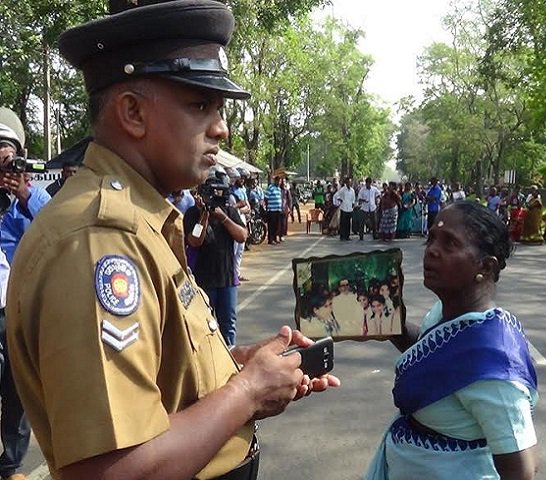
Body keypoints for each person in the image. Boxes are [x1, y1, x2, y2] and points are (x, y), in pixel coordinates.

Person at [6, 3, 339, 479]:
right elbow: (112, 470)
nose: (221, 129)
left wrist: (238, 374)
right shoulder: (100, 242)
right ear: (133, 113)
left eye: (220, 109)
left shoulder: (142, 217)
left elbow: (160, 385)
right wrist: (243, 394)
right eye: (200, 105)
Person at [365, 201, 538, 479]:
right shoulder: (446, 314)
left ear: (485, 266)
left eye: (449, 243)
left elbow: (521, 471)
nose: (432, 250)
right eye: (431, 238)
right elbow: (437, 360)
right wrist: (392, 328)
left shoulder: (494, 362)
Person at [0, 109, 35, 480]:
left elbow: (55, 223)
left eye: (8, 155)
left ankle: (11, 465)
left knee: (18, 387)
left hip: (18, 308)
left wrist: (23, 193)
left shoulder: (31, 195)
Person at [185, 169, 247, 346]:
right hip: (203, 281)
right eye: (209, 192)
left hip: (226, 280)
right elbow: (194, 241)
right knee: (204, 326)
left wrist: (223, 217)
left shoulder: (228, 211)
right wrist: (204, 214)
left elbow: (242, 236)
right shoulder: (192, 214)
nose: (213, 196)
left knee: (228, 326)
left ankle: (230, 364)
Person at [334, 177, 356, 241]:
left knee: (348, 223)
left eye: (350, 182)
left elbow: (353, 198)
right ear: (346, 183)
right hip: (343, 208)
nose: (349, 183)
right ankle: (342, 236)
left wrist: (353, 204)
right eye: (348, 182)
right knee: (343, 223)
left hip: (349, 208)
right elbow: (336, 195)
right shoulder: (343, 189)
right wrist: (339, 199)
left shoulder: (352, 190)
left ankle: (347, 236)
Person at [265, 175, 283, 244]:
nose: (279, 182)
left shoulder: (279, 189)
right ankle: (270, 239)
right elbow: (266, 198)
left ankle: (275, 238)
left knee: (276, 225)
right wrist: (267, 207)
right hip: (271, 210)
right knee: (271, 226)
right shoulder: (270, 188)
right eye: (278, 181)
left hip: (278, 210)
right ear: (275, 181)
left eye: (280, 181)